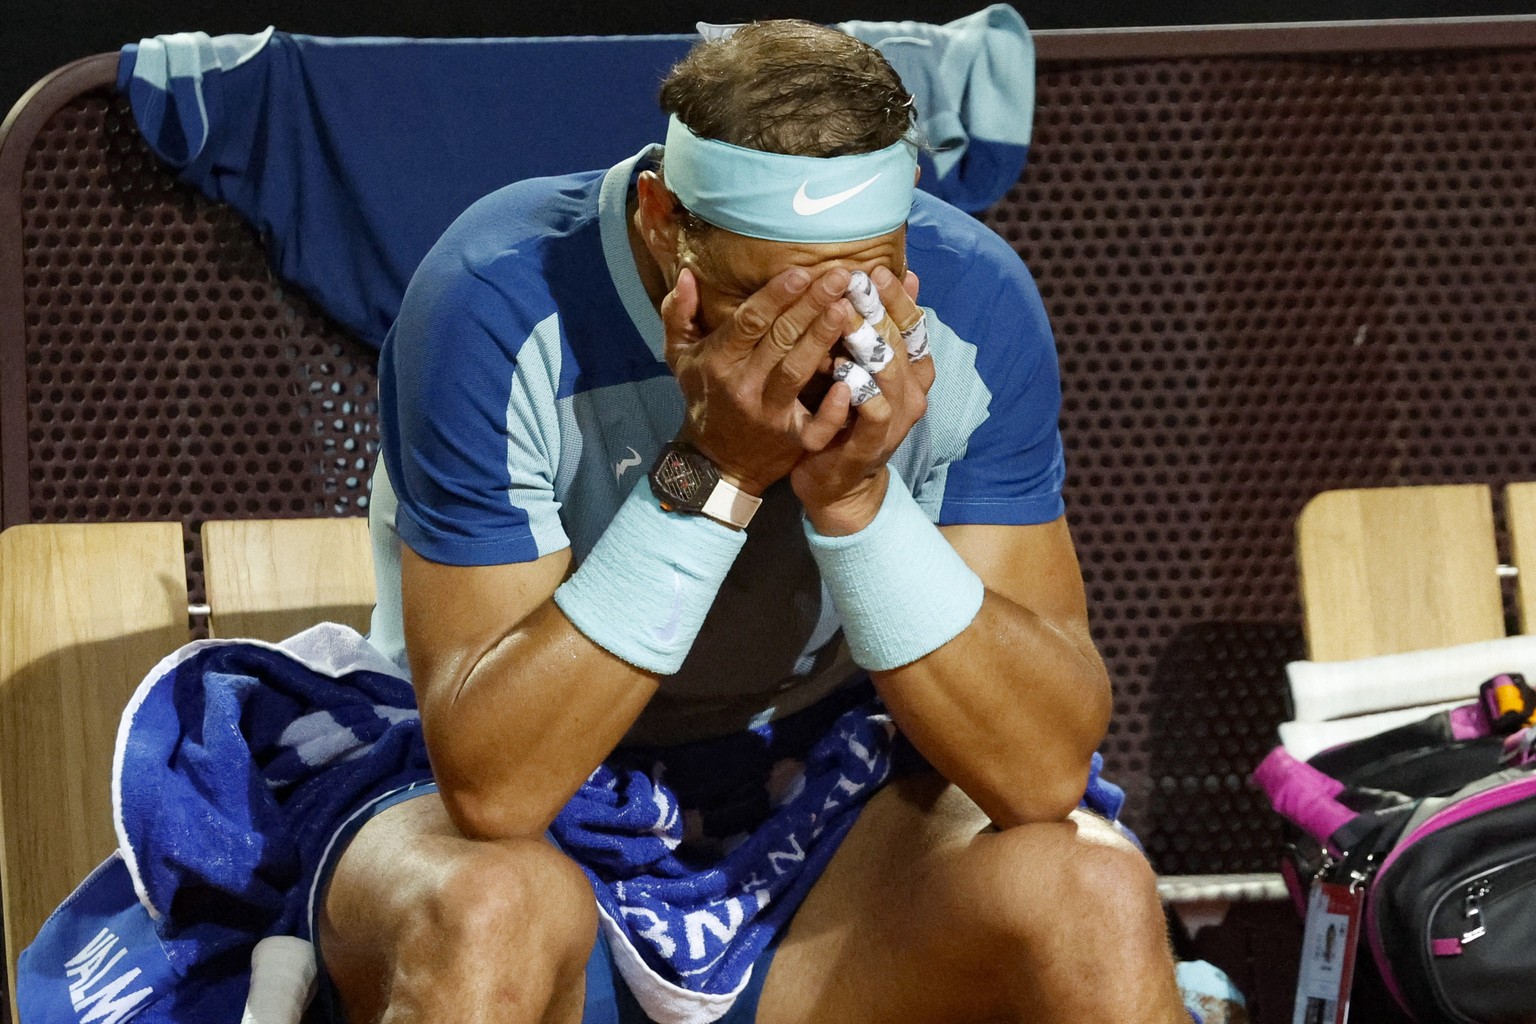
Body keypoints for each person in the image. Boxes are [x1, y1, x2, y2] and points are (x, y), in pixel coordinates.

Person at [321, 18, 1191, 1024]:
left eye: (855, 290)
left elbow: (1041, 771)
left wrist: (858, 503)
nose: (811, 350)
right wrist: (718, 469)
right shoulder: (491, 299)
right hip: (523, 815)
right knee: (481, 910)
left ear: (907, 239)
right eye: (754, 300)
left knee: (1095, 893)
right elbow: (495, 788)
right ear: (659, 218)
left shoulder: (973, 305)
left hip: (815, 793)